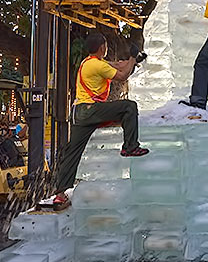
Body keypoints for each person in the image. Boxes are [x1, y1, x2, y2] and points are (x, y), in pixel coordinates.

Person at [53, 32, 149, 208]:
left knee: (72, 153)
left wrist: (132, 59)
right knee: (129, 107)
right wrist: (133, 59)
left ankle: (60, 193)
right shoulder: (97, 66)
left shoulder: (89, 62)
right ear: (102, 47)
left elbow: (119, 65)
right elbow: (122, 76)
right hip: (91, 110)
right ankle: (130, 147)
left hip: (79, 113)